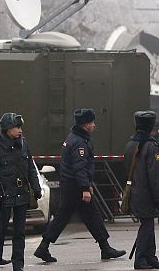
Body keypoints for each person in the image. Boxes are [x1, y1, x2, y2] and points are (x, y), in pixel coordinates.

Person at [34, 109, 126, 263]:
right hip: (75, 186)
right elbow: (79, 167)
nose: (94, 125)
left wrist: (86, 185)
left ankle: (44, 246)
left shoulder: (73, 138)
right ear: (86, 124)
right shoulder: (79, 143)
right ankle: (105, 248)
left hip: (71, 184)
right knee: (92, 215)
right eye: (92, 122)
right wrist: (85, 188)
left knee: (64, 216)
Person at [0, 113, 40, 271]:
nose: (20, 130)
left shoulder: (23, 145)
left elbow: (31, 168)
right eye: (16, 127)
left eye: (20, 127)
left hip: (21, 194)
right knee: (0, 231)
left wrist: (36, 188)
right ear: (7, 129)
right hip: (5, 195)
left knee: (19, 232)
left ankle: (18, 264)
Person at [124, 111, 159, 270]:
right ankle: (141, 258)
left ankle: (150, 257)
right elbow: (155, 175)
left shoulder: (130, 144)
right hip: (146, 192)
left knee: (148, 223)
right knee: (147, 225)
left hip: (135, 190)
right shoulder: (150, 146)